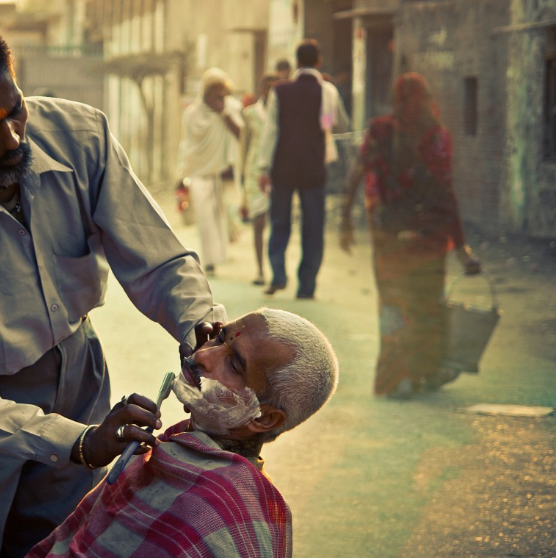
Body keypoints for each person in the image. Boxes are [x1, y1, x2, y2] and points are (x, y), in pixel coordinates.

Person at [0, 20, 226, 558]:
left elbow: (154, 259)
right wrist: (80, 442)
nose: (12, 137)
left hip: (77, 371)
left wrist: (200, 330)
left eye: (14, 109)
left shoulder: (82, 136)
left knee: (57, 543)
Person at [27, 307, 339, 558]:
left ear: (264, 418)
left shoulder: (226, 520)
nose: (203, 355)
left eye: (233, 364)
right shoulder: (169, 449)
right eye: (219, 338)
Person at [339, 72, 482, 399]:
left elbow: (357, 175)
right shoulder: (429, 136)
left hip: (400, 240)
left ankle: (410, 376)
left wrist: (346, 219)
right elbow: (447, 193)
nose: (412, 106)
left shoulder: (396, 132)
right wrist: (460, 247)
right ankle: (415, 375)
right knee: (415, 307)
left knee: (405, 307)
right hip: (415, 241)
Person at [258, 40, 350, 299]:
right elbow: (337, 125)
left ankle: (278, 274)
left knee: (279, 223)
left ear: (297, 62)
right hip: (313, 169)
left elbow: (271, 132)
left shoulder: (280, 91)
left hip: (283, 168)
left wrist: (264, 168)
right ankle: (306, 285)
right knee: (313, 227)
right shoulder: (327, 91)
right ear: (318, 61)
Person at [176, 68, 244, 275]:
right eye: (214, 89)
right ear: (206, 90)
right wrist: (181, 174)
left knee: (221, 214)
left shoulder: (229, 108)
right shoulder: (192, 113)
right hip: (198, 171)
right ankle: (210, 260)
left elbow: (240, 133)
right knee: (205, 216)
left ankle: (219, 254)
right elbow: (189, 145)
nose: (219, 94)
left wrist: (223, 112)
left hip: (222, 171)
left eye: (222, 90)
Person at [240, 73, 279, 286]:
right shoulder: (250, 114)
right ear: (261, 89)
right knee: (258, 222)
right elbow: (244, 147)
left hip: (277, 173)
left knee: (276, 224)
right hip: (254, 172)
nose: (270, 92)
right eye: (267, 87)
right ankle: (260, 270)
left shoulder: (284, 112)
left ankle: (275, 270)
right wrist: (241, 175)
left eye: (274, 88)